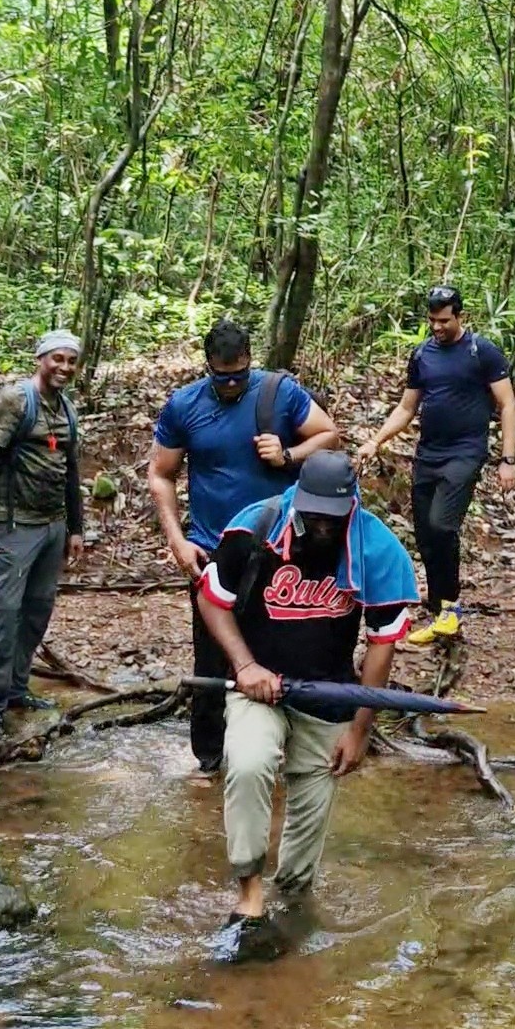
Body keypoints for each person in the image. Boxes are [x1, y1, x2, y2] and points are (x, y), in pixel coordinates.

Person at [197, 450, 417, 953]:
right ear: (298, 498)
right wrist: (246, 666)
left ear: (352, 508)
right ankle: (249, 893)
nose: (320, 524)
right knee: (249, 764)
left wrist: (360, 729)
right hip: (259, 685)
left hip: (330, 693)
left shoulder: (375, 547)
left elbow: (382, 642)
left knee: (311, 808)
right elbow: (212, 600)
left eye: (331, 518)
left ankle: (293, 903)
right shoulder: (254, 528)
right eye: (312, 513)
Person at [149, 319, 338, 776]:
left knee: (281, 646)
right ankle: (211, 760)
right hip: (213, 547)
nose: (232, 384)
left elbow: (329, 435)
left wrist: (289, 454)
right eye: (222, 376)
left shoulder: (280, 392)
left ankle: (283, 749)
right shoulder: (185, 405)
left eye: (239, 374)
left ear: (249, 361)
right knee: (213, 653)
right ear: (208, 366)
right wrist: (178, 540)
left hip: (280, 546)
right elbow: (161, 474)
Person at [356, 284, 515, 644]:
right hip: (428, 453)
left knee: (443, 525)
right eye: (432, 320)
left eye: (444, 320)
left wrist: (508, 459)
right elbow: (406, 407)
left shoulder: (483, 352)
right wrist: (375, 441)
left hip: (466, 452)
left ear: (460, 316)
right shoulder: (422, 355)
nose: (437, 327)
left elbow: (507, 404)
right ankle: (441, 612)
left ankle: (451, 609)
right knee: (427, 538)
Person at [0, 330, 84, 735]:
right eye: (57, 359)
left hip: (52, 527)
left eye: (71, 361)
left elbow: (71, 471)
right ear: (41, 358)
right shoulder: (13, 401)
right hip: (13, 527)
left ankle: (15, 689)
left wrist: (76, 528)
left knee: (36, 612)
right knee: (3, 616)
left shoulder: (66, 409)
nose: (63, 367)